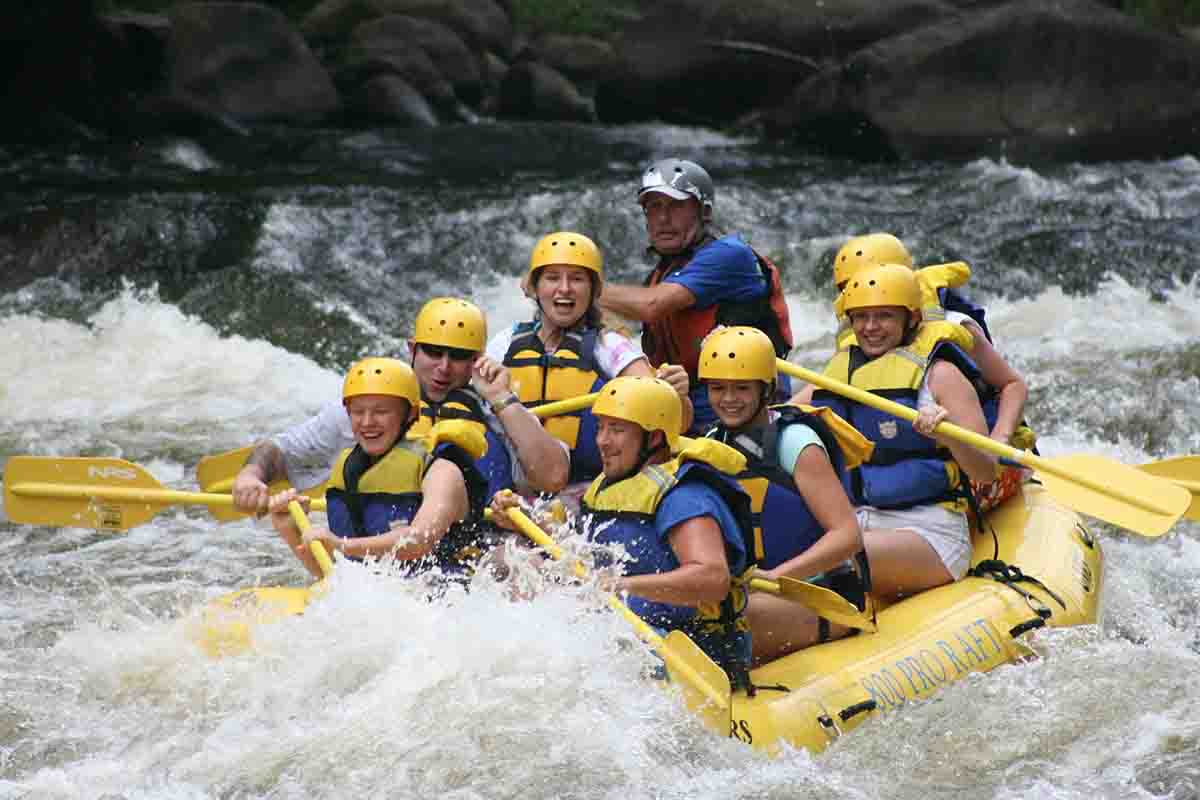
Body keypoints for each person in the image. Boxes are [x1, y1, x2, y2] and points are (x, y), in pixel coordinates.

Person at [492, 376, 758, 686]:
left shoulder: (685, 497)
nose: (603, 441)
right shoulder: (612, 484)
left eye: (617, 430)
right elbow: (584, 550)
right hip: (630, 633)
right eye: (601, 427)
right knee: (515, 569)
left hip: (689, 652)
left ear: (655, 439)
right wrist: (526, 520)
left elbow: (712, 579)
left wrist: (622, 585)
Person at [231, 297, 569, 514]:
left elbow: (553, 476)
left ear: (478, 360)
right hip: (385, 556)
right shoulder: (371, 408)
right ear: (412, 350)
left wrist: (502, 400)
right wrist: (251, 475)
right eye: (433, 352)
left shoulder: (496, 409)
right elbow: (280, 449)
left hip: (475, 559)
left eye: (459, 356)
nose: (444, 367)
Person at [794, 263, 999, 600]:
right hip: (855, 522)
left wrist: (948, 435)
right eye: (860, 317)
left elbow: (986, 470)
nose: (870, 327)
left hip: (930, 531)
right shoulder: (840, 374)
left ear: (911, 318)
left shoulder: (942, 376)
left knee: (837, 557)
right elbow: (778, 418)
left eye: (884, 316)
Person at [697, 326, 875, 663]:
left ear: (765, 389)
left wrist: (777, 578)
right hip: (756, 593)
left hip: (824, 596)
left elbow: (848, 535)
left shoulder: (796, 442)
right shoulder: (712, 443)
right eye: (718, 388)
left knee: (730, 623)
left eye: (741, 388)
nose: (729, 399)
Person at [477, 230, 691, 492]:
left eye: (577, 279)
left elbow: (673, 418)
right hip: (511, 497)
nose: (564, 288)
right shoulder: (505, 342)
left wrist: (678, 395)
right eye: (552, 278)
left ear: (593, 290)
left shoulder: (609, 346)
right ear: (535, 288)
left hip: (586, 494)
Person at [831, 233, 1032, 510]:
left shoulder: (952, 327)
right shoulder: (862, 333)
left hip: (978, 455)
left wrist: (999, 441)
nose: (856, 293)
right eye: (846, 288)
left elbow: (1013, 385)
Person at [596, 158, 794, 434]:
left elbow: (651, 306)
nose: (663, 219)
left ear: (704, 212)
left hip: (745, 411)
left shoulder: (729, 255)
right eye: (654, 207)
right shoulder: (658, 277)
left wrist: (579, 282)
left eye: (676, 206)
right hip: (690, 411)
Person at [267, 357, 489, 579]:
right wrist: (289, 529)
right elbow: (333, 577)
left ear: (410, 414)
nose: (367, 422)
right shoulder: (349, 470)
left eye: (381, 411)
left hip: (450, 597)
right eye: (357, 412)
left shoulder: (442, 470)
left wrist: (341, 545)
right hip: (387, 600)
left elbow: (419, 540)